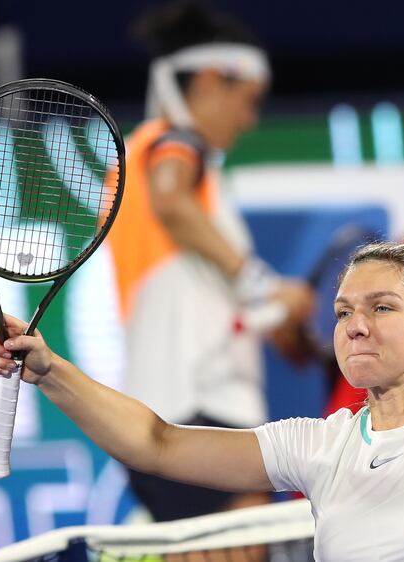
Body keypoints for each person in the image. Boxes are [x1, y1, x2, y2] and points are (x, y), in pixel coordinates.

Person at [0, 119, 404, 561]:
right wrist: (51, 371)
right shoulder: (319, 448)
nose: (356, 325)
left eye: (382, 308)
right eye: (344, 311)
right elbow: (155, 443)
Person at [105, 0, 315, 522]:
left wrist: (275, 317)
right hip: (202, 417)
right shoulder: (175, 144)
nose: (250, 119)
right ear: (205, 84)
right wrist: (260, 283)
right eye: (247, 100)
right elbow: (171, 201)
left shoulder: (134, 160)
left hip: (159, 418)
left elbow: (196, 294)